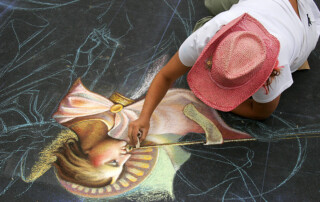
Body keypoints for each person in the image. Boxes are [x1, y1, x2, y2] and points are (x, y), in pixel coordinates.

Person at [128, 0, 320, 146]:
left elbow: (261, 113)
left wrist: (217, 99)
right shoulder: (209, 32)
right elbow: (165, 76)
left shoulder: (273, 70)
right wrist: (144, 116)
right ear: (211, 49)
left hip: (305, 25)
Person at [51, 78, 251, 188]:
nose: (126, 157)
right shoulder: (126, 128)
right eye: (122, 165)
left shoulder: (64, 112)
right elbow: (178, 115)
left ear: (84, 154)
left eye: (113, 162)